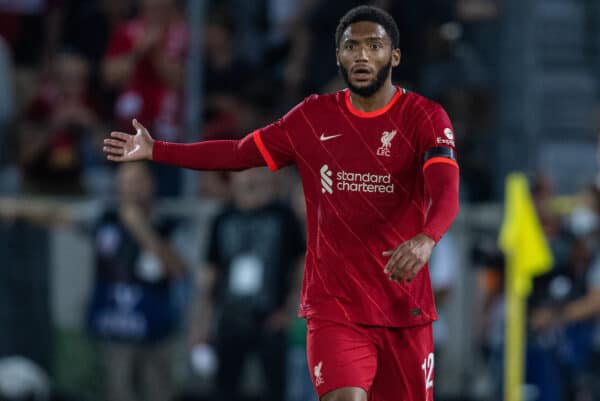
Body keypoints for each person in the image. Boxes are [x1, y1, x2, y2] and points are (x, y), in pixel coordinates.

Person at [103, 5, 460, 401]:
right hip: (336, 310)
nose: (361, 55)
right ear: (338, 55)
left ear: (394, 56)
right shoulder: (312, 117)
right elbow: (238, 153)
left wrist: (426, 238)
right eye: (351, 46)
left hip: (402, 309)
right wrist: (157, 150)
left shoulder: (425, 117)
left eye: (374, 46)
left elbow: (445, 191)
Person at [191, 167, 305, 401]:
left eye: (255, 172)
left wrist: (289, 311)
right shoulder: (222, 218)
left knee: (275, 390)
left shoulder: (284, 217)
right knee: (225, 390)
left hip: (271, 320)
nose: (250, 179)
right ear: (232, 178)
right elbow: (210, 275)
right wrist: (201, 322)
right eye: (243, 172)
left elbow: (302, 268)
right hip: (230, 318)